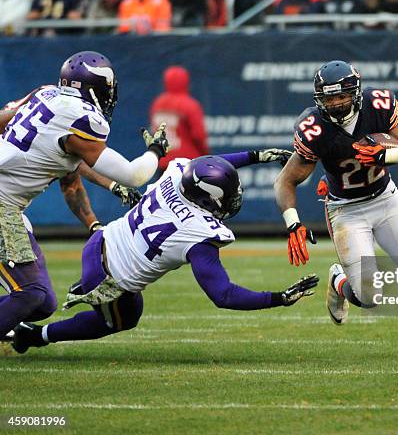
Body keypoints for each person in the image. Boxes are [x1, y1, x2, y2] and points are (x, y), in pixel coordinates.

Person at [11, 151, 320, 353]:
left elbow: (209, 163)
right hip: (109, 277)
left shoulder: (177, 173)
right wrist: (278, 298)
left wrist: (254, 156)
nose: (233, 198)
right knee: (121, 321)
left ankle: (80, 290)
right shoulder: (200, 234)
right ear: (208, 200)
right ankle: (34, 335)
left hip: (100, 241)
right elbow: (223, 295)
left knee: (131, 302)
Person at [273, 61, 398, 361]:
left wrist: (388, 154)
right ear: (319, 99)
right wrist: (293, 223)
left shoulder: (377, 107)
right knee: (369, 297)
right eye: (328, 98)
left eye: (341, 96)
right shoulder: (314, 128)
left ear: (355, 92)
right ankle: (339, 281)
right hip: (346, 210)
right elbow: (285, 181)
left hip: (386, 199)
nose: (336, 103)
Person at [0, 50, 169, 342]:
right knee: (30, 294)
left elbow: (70, 165)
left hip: (10, 207)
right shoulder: (83, 119)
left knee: (42, 303)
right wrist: (156, 151)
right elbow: (134, 175)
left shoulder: (46, 95)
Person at [150, 66, 209, 173]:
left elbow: (155, 132)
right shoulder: (190, 104)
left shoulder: (158, 103)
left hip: (163, 160)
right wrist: (206, 155)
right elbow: (199, 135)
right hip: (187, 162)